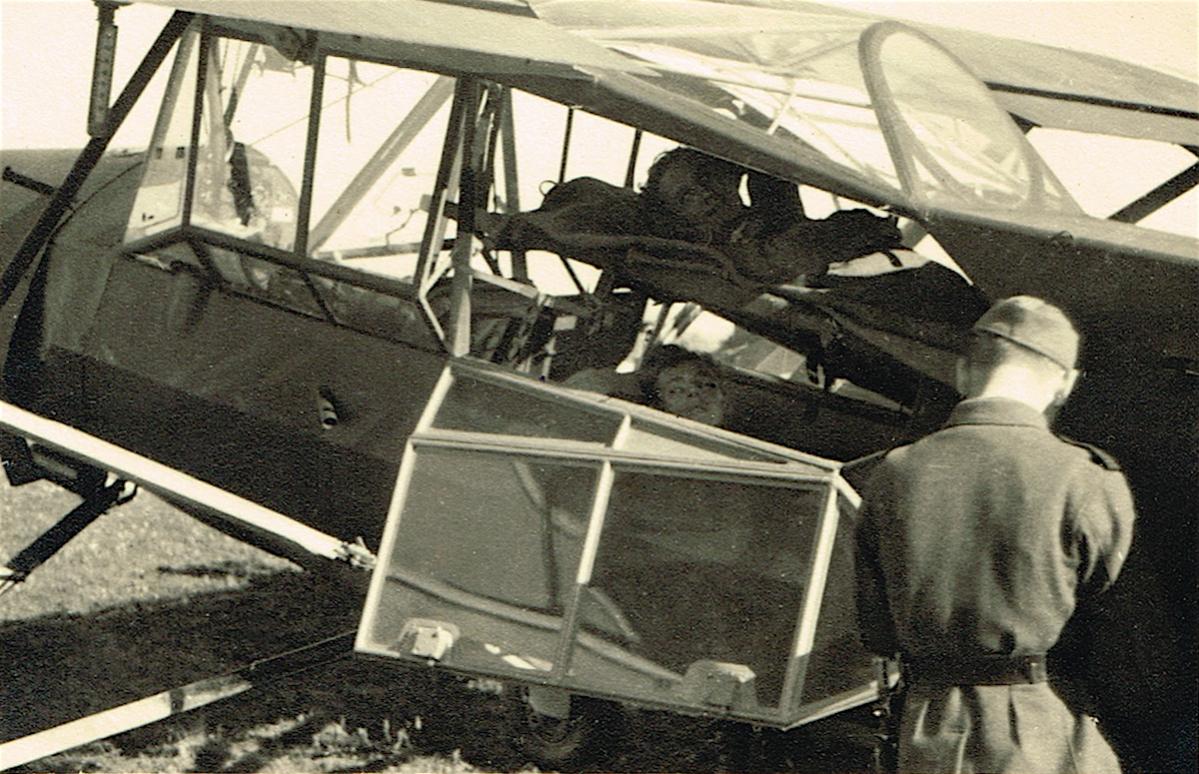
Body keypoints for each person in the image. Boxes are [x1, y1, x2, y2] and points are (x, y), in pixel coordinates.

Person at [853, 295, 1134, 774]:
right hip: (1043, 733)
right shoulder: (1086, 479)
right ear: (1064, 384)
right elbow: (1117, 632)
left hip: (926, 734)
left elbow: (876, 631)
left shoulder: (893, 474)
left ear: (964, 373)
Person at [639, 147, 906, 284]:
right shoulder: (721, 254)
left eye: (706, 176)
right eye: (687, 197)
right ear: (678, 216)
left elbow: (767, 170)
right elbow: (794, 249)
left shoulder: (761, 212)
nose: (705, 193)